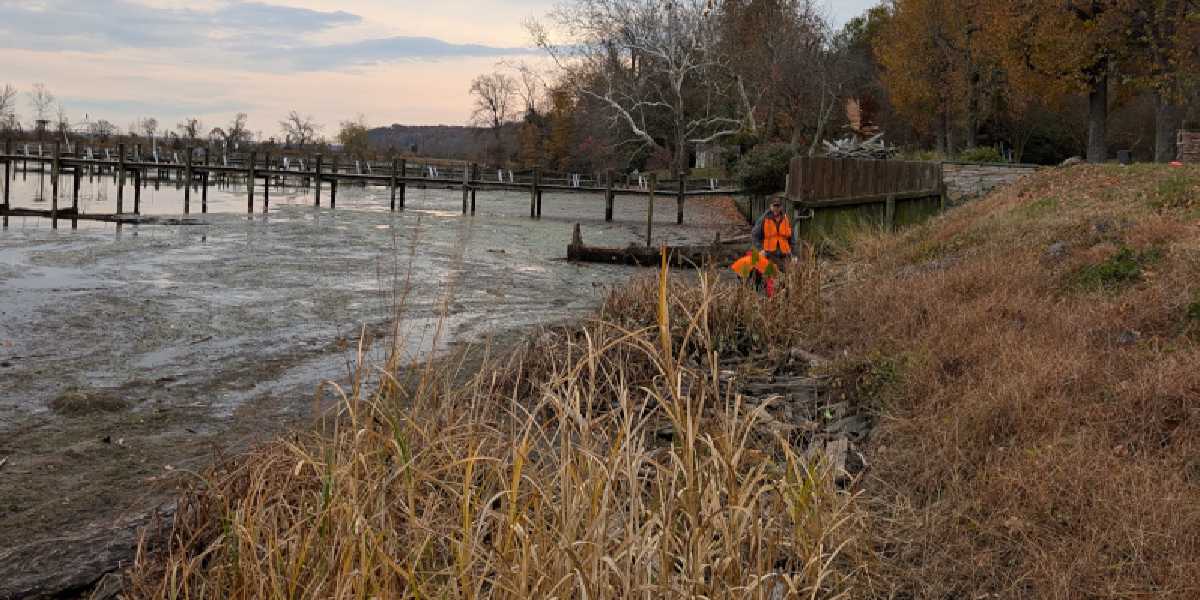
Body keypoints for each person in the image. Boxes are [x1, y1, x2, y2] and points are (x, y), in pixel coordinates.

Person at [752, 197, 795, 263]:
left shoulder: (786, 219)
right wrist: (760, 249)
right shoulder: (764, 219)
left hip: (785, 255)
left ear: (781, 207)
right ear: (771, 206)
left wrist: (793, 254)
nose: (776, 208)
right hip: (769, 254)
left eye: (778, 206)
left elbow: (792, 239)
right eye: (774, 206)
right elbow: (755, 235)